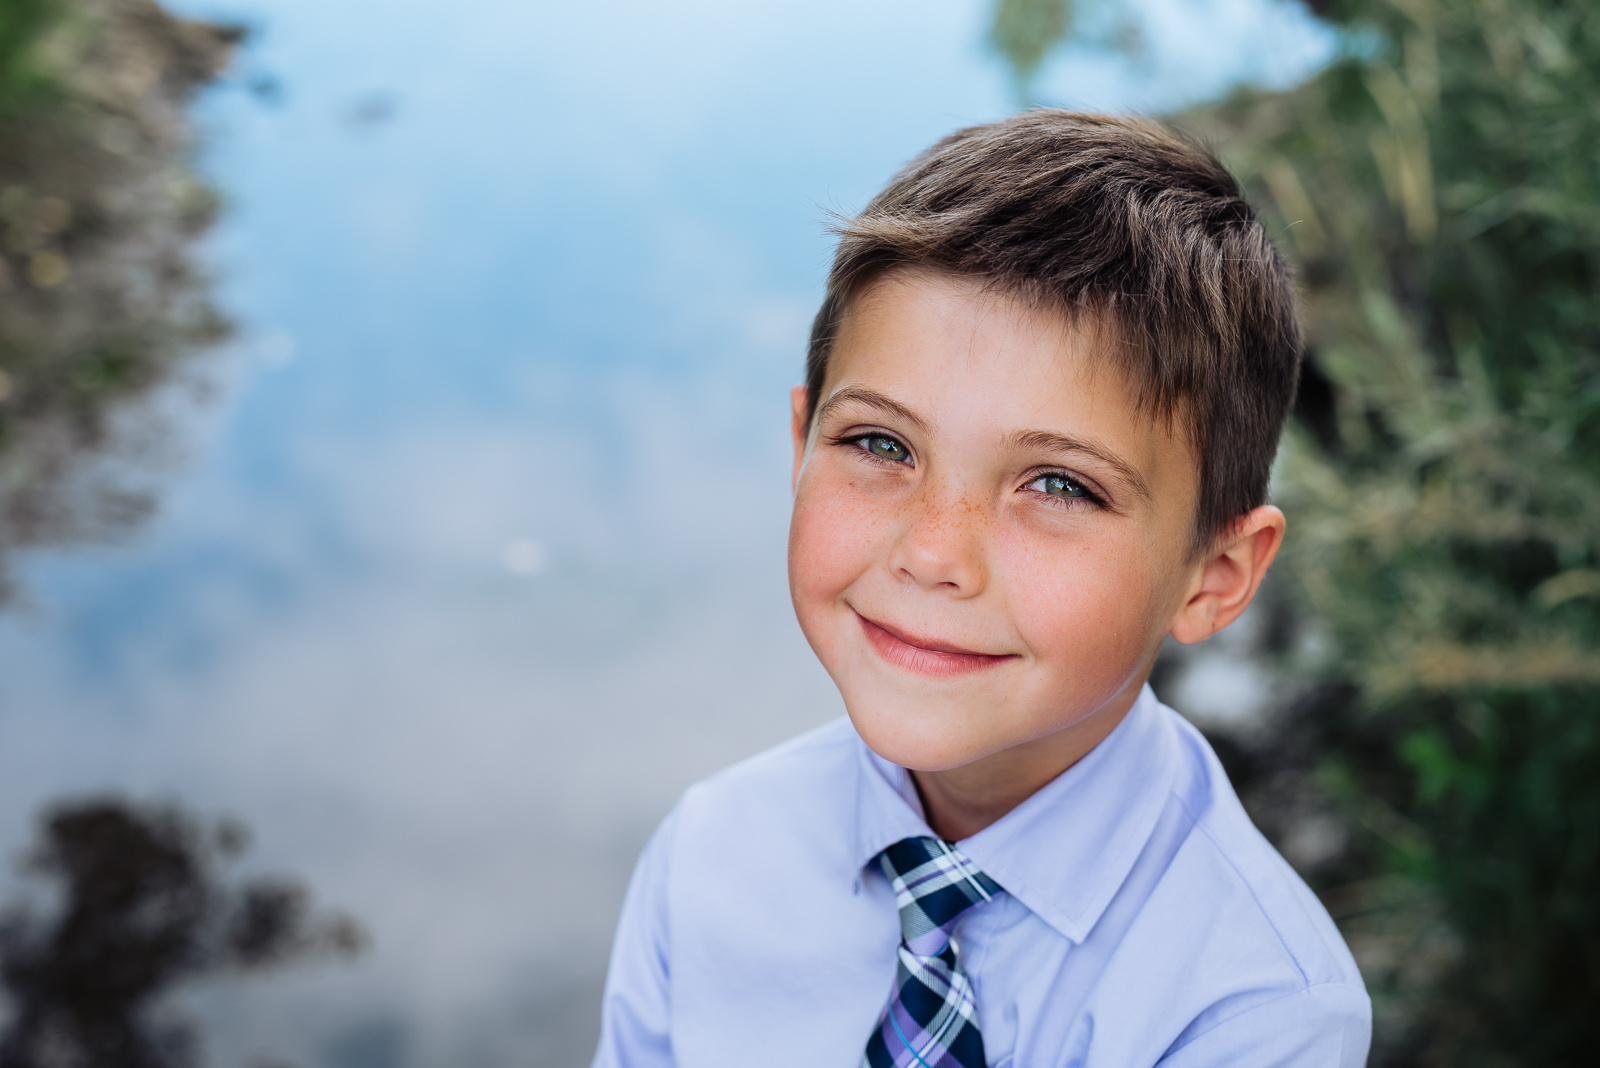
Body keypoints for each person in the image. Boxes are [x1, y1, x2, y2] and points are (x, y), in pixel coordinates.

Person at [591, 110, 1370, 1068]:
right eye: (881, 445)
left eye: (1059, 485)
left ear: (1213, 579)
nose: (931, 554)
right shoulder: (711, 854)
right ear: (800, 448)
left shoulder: (1255, 1011)